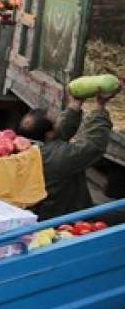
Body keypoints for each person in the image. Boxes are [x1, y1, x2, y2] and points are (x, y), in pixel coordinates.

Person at [17, 88, 119, 220]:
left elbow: (59, 132)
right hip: (66, 217)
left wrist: (75, 105)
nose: (57, 122)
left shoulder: (32, 148)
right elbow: (94, 145)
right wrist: (100, 107)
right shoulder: (59, 157)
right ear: (49, 134)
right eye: (54, 123)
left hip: (50, 210)